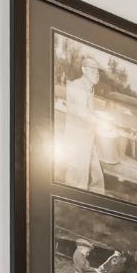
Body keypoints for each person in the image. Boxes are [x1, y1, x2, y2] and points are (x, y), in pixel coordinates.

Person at [60, 55, 105, 190]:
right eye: (93, 70)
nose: (97, 73)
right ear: (84, 70)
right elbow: (82, 113)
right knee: (79, 174)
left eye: (98, 71)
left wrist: (96, 117)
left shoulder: (89, 87)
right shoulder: (79, 86)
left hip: (87, 135)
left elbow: (87, 111)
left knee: (95, 171)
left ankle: (97, 196)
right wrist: (99, 122)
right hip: (78, 138)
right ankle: (75, 202)